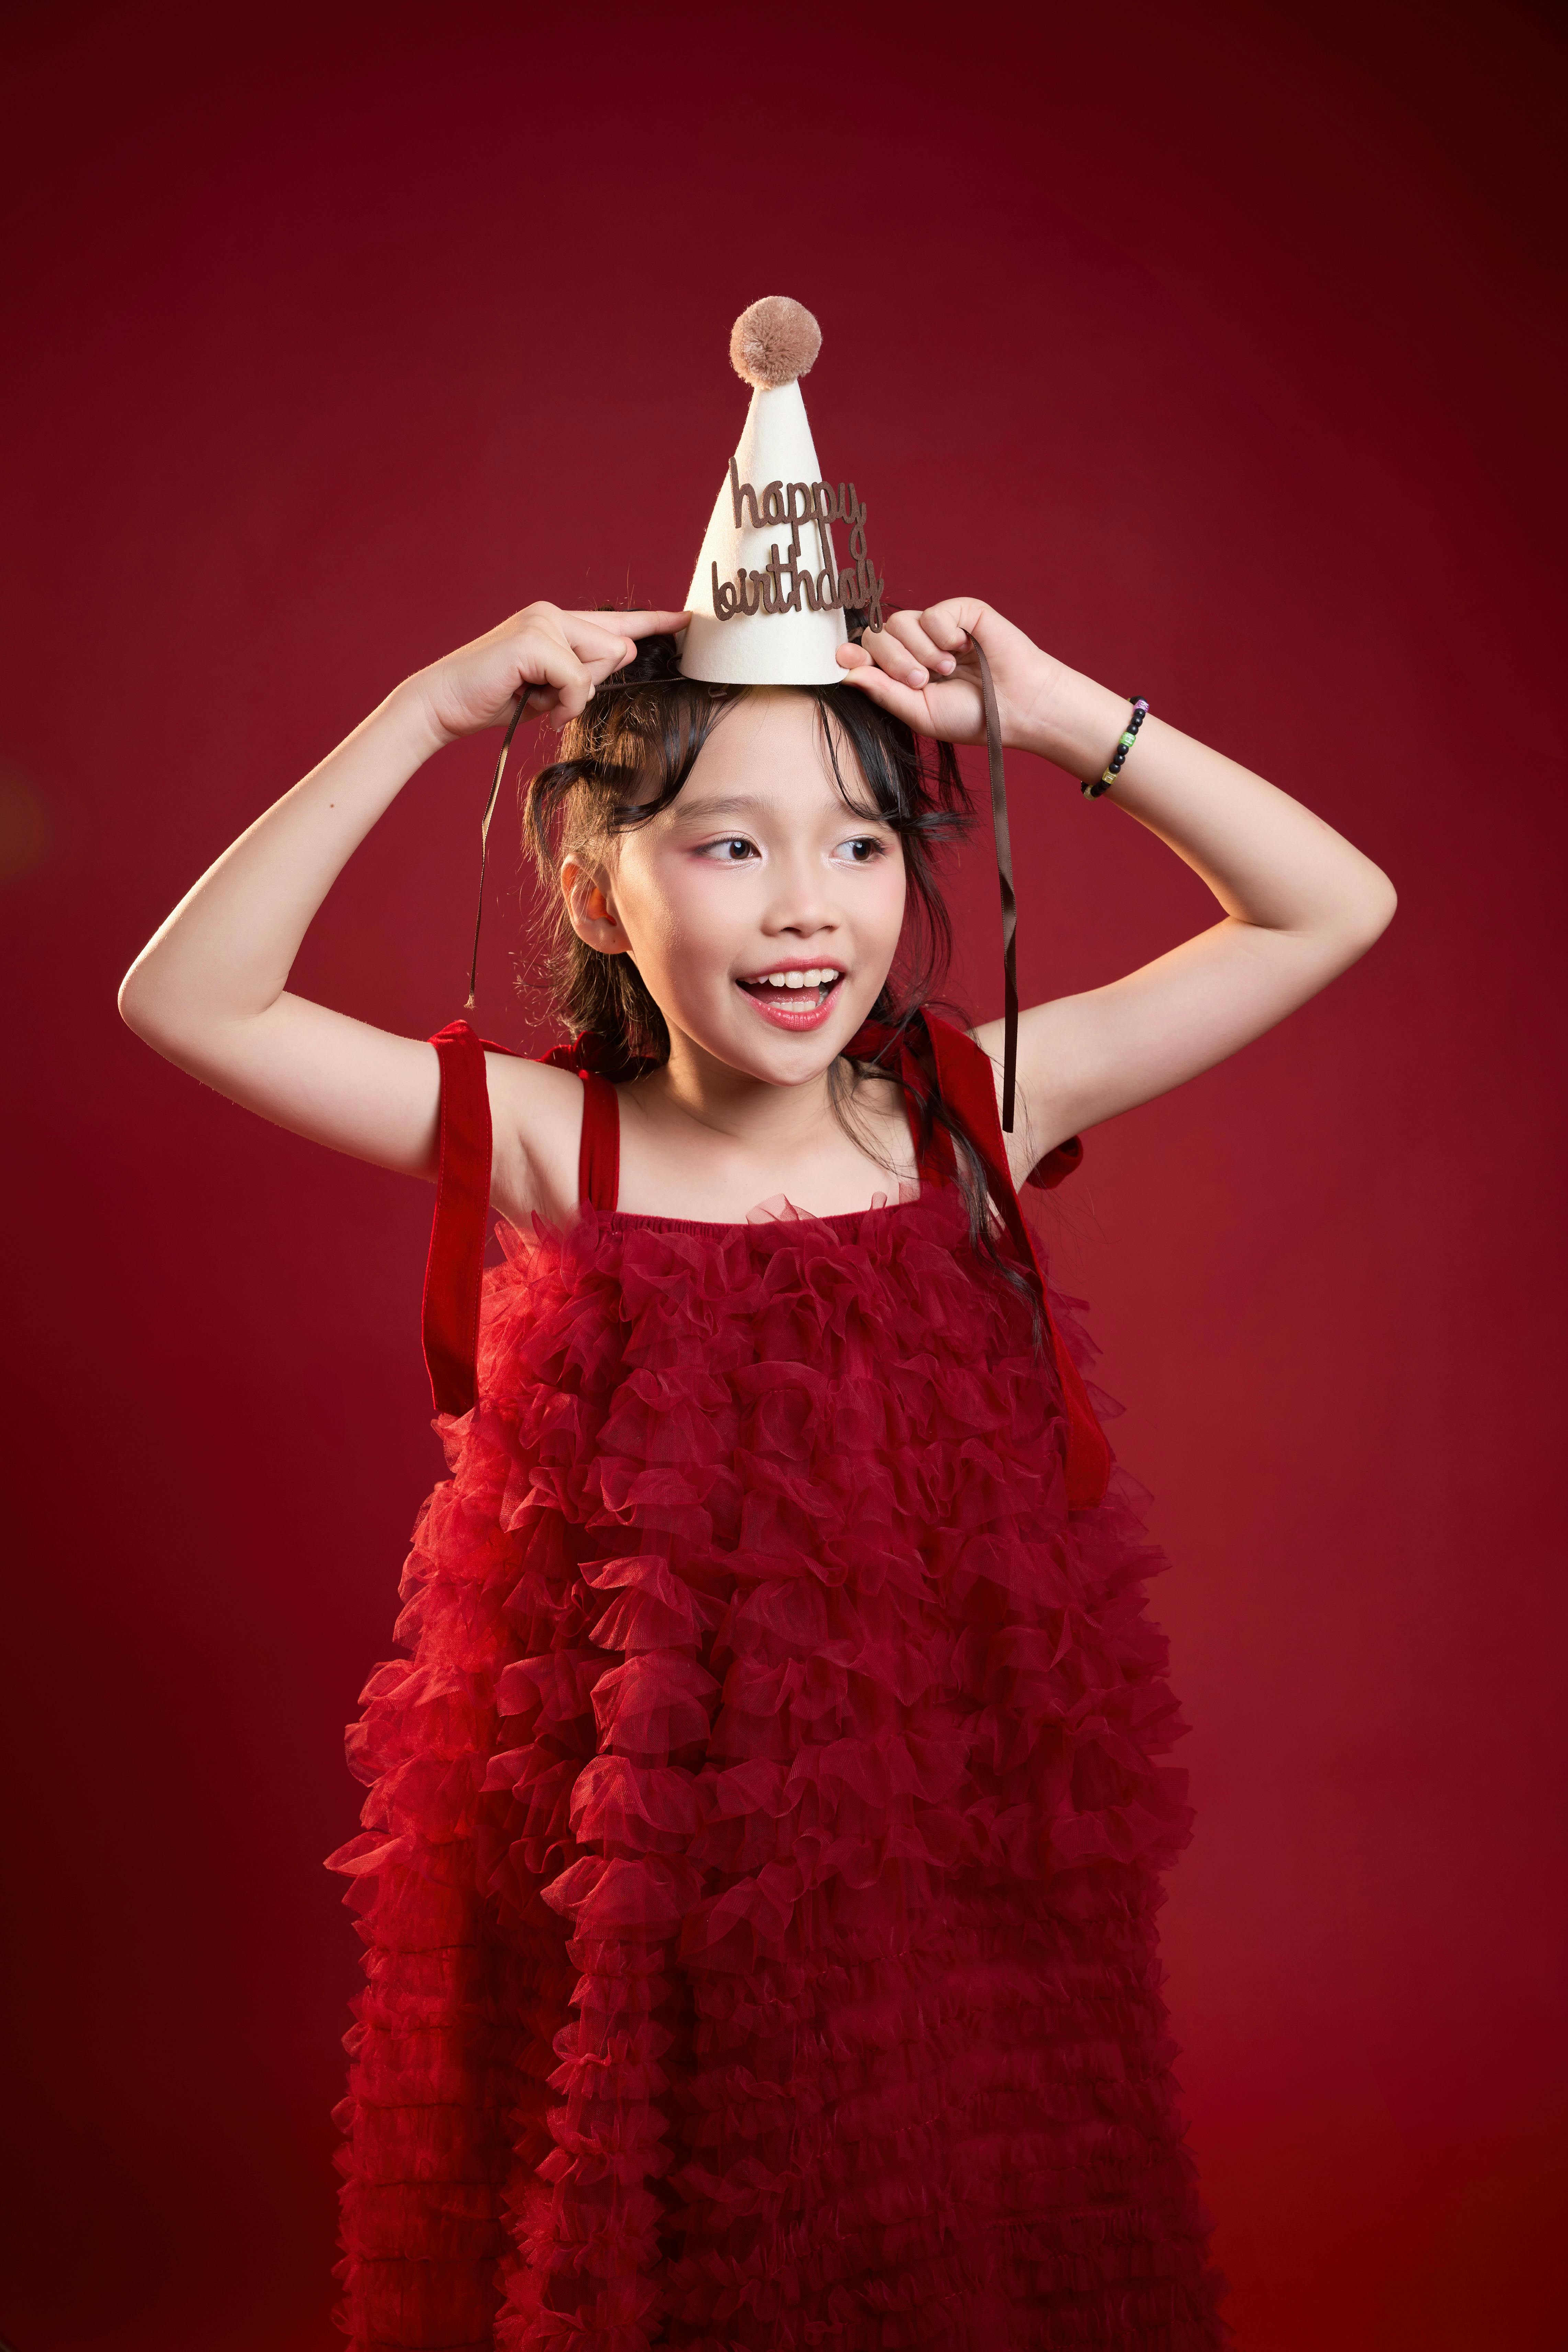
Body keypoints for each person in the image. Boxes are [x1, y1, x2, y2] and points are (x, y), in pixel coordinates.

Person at [119, 307, 1394, 2352]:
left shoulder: (965, 1114)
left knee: (949, 2201)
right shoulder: (565, 1146)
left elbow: (1333, 906)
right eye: (728, 844)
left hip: (942, 1845)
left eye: (860, 842)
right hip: (642, 1882)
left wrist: (1062, 718)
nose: (808, 907)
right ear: (600, 883)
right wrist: (423, 711)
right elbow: (187, 1001)